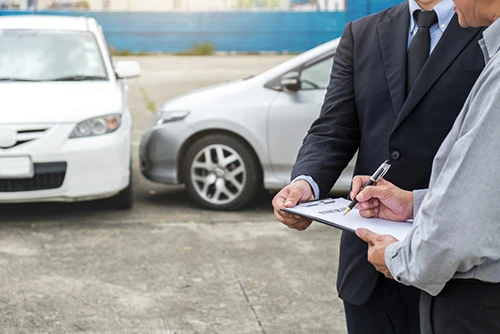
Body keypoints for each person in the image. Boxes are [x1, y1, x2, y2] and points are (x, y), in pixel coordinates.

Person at [272, 0, 486, 332]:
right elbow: (334, 127)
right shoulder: (362, 32)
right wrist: (306, 183)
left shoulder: (485, 22)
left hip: (455, 271)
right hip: (368, 265)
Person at [352, 1, 500, 331]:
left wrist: (400, 259)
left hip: (476, 302)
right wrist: (414, 204)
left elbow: (462, 224)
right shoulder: (362, 31)